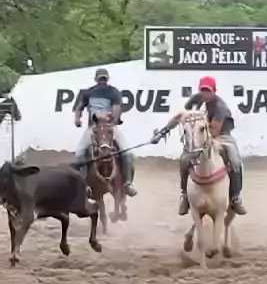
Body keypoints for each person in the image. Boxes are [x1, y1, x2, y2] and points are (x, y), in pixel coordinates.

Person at [151, 75, 247, 216]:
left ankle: (235, 198)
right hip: (199, 134)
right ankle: (184, 195)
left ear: (214, 91)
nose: (205, 93)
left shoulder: (220, 107)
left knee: (235, 160)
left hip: (221, 135)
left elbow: (215, 130)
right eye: (203, 90)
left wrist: (201, 135)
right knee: (185, 159)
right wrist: (162, 133)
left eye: (208, 90)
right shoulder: (195, 100)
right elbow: (181, 117)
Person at [74, 68, 137, 197]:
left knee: (128, 153)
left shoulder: (114, 92)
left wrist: (112, 120)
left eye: (104, 78)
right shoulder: (88, 93)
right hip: (93, 128)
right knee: (79, 153)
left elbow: (117, 109)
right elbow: (79, 107)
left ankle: (128, 183)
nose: (102, 81)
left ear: (107, 79)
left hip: (109, 127)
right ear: (95, 79)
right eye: (100, 79)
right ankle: (84, 185)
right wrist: (77, 118)